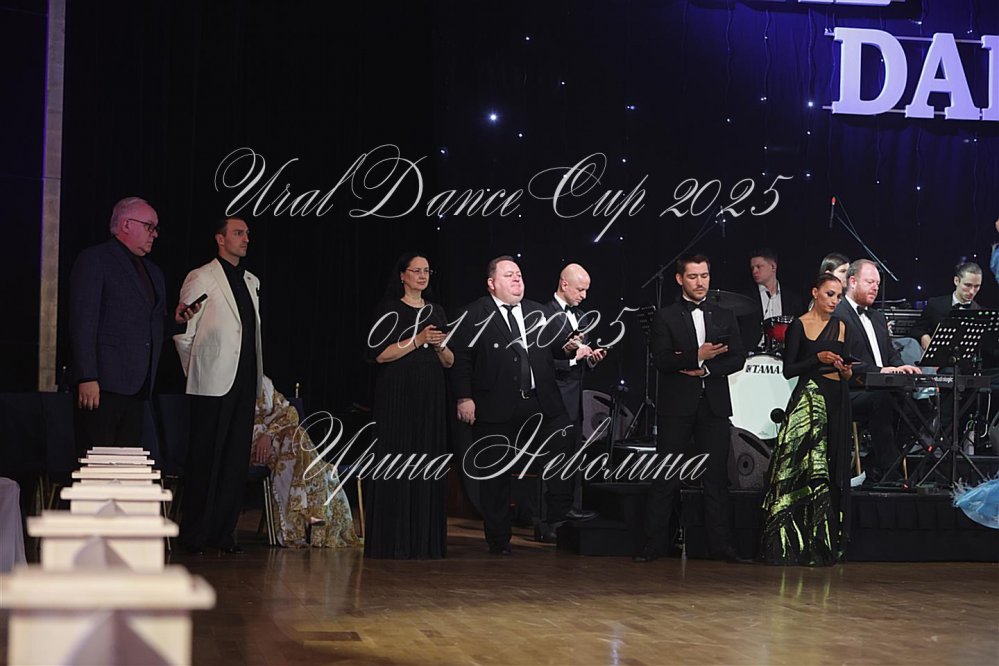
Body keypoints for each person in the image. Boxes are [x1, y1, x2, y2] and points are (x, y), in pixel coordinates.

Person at [450, 256, 592, 554]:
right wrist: (464, 397)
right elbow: (462, 360)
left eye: (519, 274)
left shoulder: (537, 311)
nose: (517, 279)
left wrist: (569, 347)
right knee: (496, 475)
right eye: (509, 275)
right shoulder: (474, 313)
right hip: (496, 405)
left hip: (540, 402)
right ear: (492, 283)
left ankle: (557, 518)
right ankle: (499, 539)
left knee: (563, 446)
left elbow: (556, 347)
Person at [635, 254, 748, 563]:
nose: (700, 282)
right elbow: (661, 359)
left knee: (716, 479)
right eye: (693, 276)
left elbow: (738, 357)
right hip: (676, 407)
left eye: (704, 276)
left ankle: (721, 547)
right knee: (666, 475)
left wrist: (708, 369)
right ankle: (654, 545)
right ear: (680, 279)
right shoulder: (666, 316)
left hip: (714, 406)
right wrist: (696, 355)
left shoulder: (724, 314)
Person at [174, 217, 263, 554]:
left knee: (234, 460)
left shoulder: (251, 280)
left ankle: (223, 533)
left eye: (247, 234)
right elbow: (185, 334)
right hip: (210, 383)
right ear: (220, 239)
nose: (245, 238)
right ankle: (195, 533)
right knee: (205, 459)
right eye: (238, 233)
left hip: (244, 380)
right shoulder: (202, 276)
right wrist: (198, 371)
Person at [69, 197, 186, 454]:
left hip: (139, 387)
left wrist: (174, 321)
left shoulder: (153, 272)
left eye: (155, 228)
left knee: (128, 463)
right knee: (97, 461)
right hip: (103, 385)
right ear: (126, 224)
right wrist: (87, 376)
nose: (155, 234)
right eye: (149, 226)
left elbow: (148, 327)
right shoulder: (96, 259)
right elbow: (83, 321)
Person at [761, 274, 854, 566]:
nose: (834, 301)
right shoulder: (799, 325)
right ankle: (796, 543)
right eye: (829, 294)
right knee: (805, 467)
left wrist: (845, 370)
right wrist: (818, 359)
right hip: (810, 399)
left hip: (837, 398)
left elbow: (847, 370)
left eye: (838, 296)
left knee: (832, 465)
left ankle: (826, 542)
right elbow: (789, 369)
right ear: (815, 293)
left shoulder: (842, 326)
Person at [365, 253, 452, 559]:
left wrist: (439, 345)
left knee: (426, 460)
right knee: (398, 459)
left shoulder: (436, 310)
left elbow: (449, 361)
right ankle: (394, 539)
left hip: (430, 397)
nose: (422, 275)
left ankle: (423, 541)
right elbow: (380, 354)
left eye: (427, 270)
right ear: (402, 275)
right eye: (416, 270)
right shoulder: (389, 309)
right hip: (398, 397)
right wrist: (418, 339)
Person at [834, 259, 921, 483]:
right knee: (883, 401)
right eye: (870, 282)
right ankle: (892, 475)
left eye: (878, 284)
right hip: (851, 390)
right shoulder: (838, 315)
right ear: (852, 282)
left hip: (881, 388)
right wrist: (880, 370)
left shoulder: (878, 317)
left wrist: (901, 367)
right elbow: (844, 361)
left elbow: (890, 353)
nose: (875, 288)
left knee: (920, 404)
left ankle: (875, 465)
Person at [250, 376, 361, 548]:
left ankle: (300, 521)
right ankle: (311, 516)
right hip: (246, 445)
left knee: (296, 438)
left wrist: (268, 435)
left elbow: (289, 413)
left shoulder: (262, 382)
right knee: (300, 453)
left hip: (274, 442)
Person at [538, 264, 607, 516]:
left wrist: (591, 358)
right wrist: (571, 360)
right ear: (564, 284)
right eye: (580, 289)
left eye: (586, 290)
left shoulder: (583, 317)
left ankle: (570, 511)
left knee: (573, 456)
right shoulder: (543, 314)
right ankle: (549, 519)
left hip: (575, 400)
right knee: (553, 458)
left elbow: (582, 360)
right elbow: (540, 361)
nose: (584, 295)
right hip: (553, 398)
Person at [740, 247, 804, 352]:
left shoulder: (793, 299)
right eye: (752, 268)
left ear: (773, 267)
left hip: (785, 353)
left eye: (759, 267)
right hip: (754, 353)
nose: (754, 271)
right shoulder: (746, 298)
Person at [910, 262, 983, 351]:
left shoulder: (980, 312)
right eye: (968, 285)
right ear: (956, 281)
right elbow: (916, 329)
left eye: (976, 286)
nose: (972, 291)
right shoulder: (935, 305)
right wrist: (924, 336)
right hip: (937, 357)